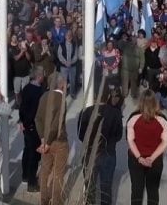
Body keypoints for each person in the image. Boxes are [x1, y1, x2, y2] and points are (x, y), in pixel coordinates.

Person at [78, 87, 124, 205]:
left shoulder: (86, 112)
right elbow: (118, 135)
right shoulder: (116, 113)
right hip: (108, 153)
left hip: (90, 152)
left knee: (90, 187)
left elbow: (81, 134)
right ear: (108, 96)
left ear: (94, 97)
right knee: (106, 188)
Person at [126, 90, 167, 205]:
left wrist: (140, 157)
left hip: (135, 159)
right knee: (153, 191)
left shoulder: (133, 118)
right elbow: (165, 141)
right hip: (155, 161)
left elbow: (130, 140)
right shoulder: (162, 119)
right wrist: (152, 157)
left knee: (136, 190)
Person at [36, 73, 70, 205]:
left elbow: (38, 118)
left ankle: (44, 199)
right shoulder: (61, 99)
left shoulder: (44, 96)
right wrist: (48, 142)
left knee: (44, 171)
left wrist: (43, 139)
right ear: (61, 84)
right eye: (65, 83)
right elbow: (56, 124)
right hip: (58, 141)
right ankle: (56, 201)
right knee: (58, 173)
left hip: (45, 140)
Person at [19, 67, 46, 193]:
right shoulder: (39, 91)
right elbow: (37, 111)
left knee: (27, 150)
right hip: (33, 126)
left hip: (26, 125)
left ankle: (25, 175)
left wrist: (22, 121)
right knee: (33, 155)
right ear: (39, 76)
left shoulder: (26, 88)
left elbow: (22, 107)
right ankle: (32, 183)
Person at [57, 31, 80, 98]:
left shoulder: (75, 44)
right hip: (64, 66)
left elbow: (76, 55)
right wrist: (65, 62)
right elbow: (60, 55)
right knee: (64, 81)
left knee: (72, 80)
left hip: (72, 66)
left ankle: (72, 93)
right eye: (67, 35)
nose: (69, 36)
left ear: (72, 36)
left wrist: (71, 62)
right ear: (65, 36)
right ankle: (64, 94)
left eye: (70, 35)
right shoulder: (61, 44)